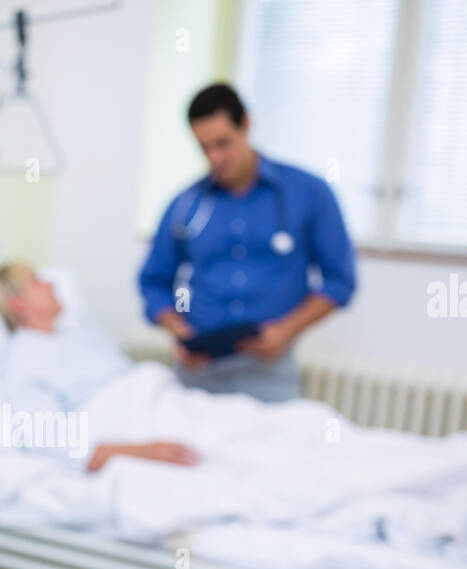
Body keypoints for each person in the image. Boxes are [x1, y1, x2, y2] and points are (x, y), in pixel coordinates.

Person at [138, 82, 357, 401]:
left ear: (246, 125)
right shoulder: (186, 205)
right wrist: (179, 331)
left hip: (269, 371)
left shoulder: (308, 194)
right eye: (204, 148)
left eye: (223, 143)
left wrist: (285, 331)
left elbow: (339, 281)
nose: (215, 157)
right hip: (198, 370)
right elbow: (153, 280)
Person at [0, 262, 200, 473]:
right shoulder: (24, 360)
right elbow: (48, 443)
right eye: (37, 281)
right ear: (18, 303)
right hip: (136, 430)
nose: (51, 284)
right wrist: (142, 452)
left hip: (166, 403)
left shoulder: (75, 332)